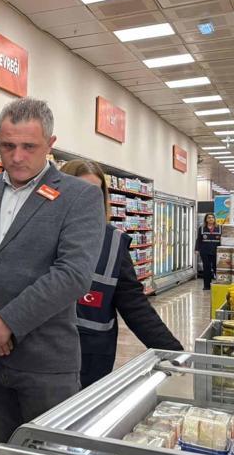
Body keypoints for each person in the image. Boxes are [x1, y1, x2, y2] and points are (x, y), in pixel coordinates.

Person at [0, 97, 105, 447]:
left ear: (50, 144)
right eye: (7, 146)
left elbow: (73, 273)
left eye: (29, 147)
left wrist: (5, 323)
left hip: (45, 362)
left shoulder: (80, 196)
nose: (17, 156)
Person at [61, 160, 183, 388]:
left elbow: (134, 304)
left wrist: (173, 352)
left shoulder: (113, 243)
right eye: (78, 191)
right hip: (42, 357)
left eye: (94, 193)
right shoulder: (39, 234)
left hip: (91, 360)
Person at [196, 213, 222, 290]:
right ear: (206, 219)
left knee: (216, 267)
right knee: (206, 268)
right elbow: (199, 239)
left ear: (214, 219)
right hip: (205, 251)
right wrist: (197, 249)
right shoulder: (201, 228)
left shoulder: (220, 228)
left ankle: (220, 284)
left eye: (212, 217)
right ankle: (207, 286)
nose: (211, 219)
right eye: (209, 217)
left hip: (216, 251)